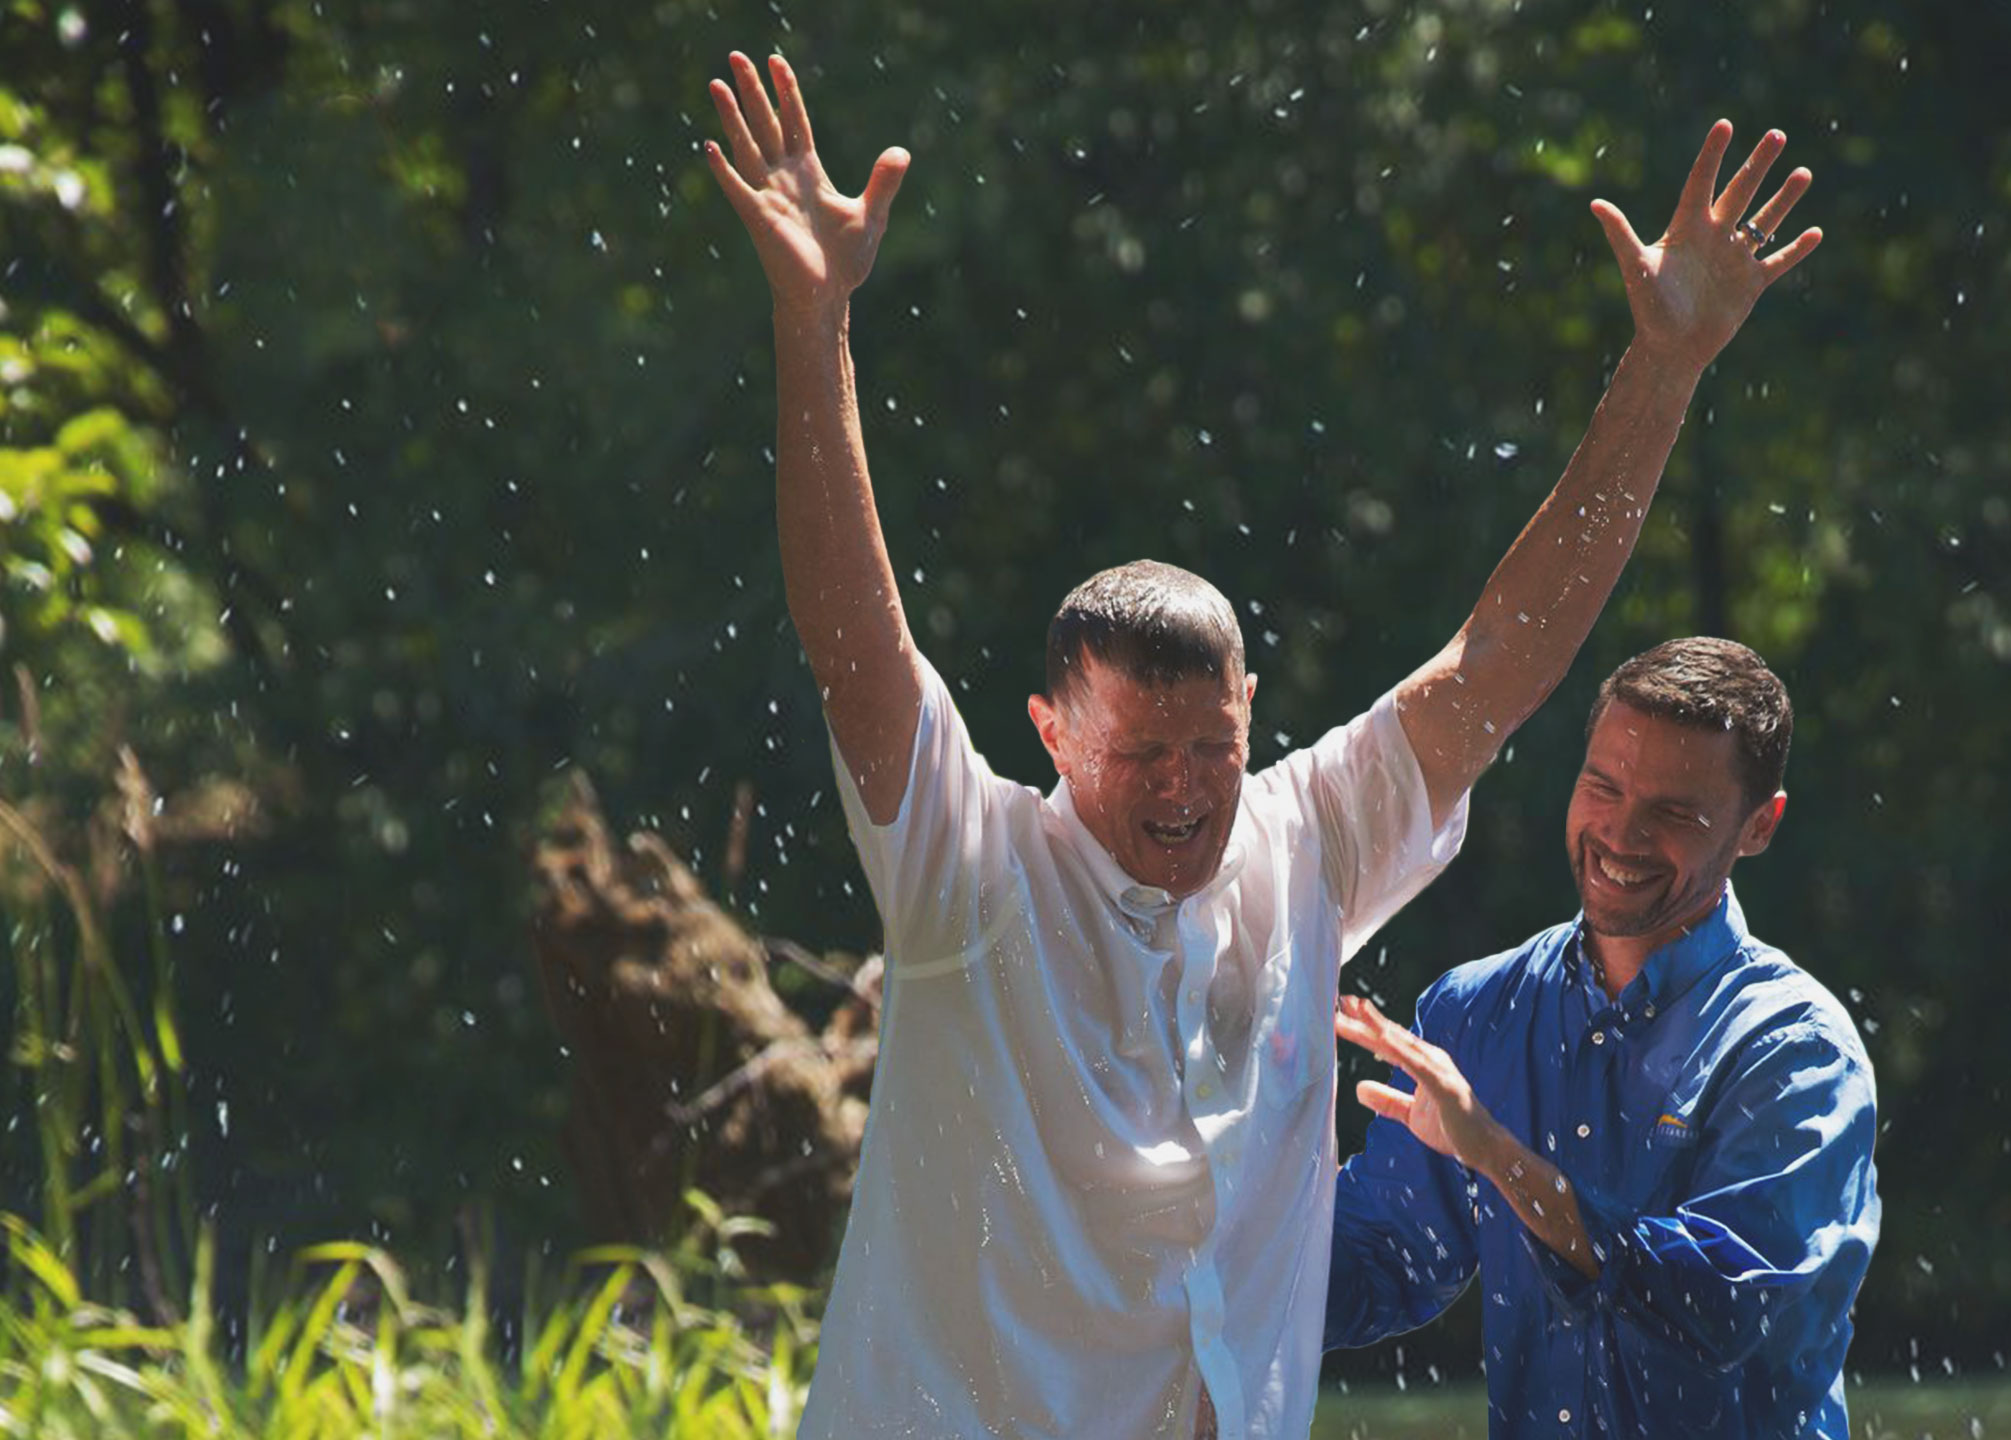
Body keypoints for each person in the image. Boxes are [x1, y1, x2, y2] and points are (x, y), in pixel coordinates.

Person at [701, 45, 1825, 1439]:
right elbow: (858, 649)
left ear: (1252, 716)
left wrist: (1665, 366)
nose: (1184, 794)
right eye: (1138, 759)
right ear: (1051, 734)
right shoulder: (967, 871)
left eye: (1211, 750)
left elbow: (1498, 663)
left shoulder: (1303, 843)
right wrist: (812, 329)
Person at [1327, 637, 1881, 1439]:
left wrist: (1500, 1157)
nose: (1620, 835)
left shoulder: (1795, 1052)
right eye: (1603, 787)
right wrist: (1175, 1240)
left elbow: (1717, 1304)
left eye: (1673, 813)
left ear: (1760, 825)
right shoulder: (1477, 1013)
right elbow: (1379, 1261)